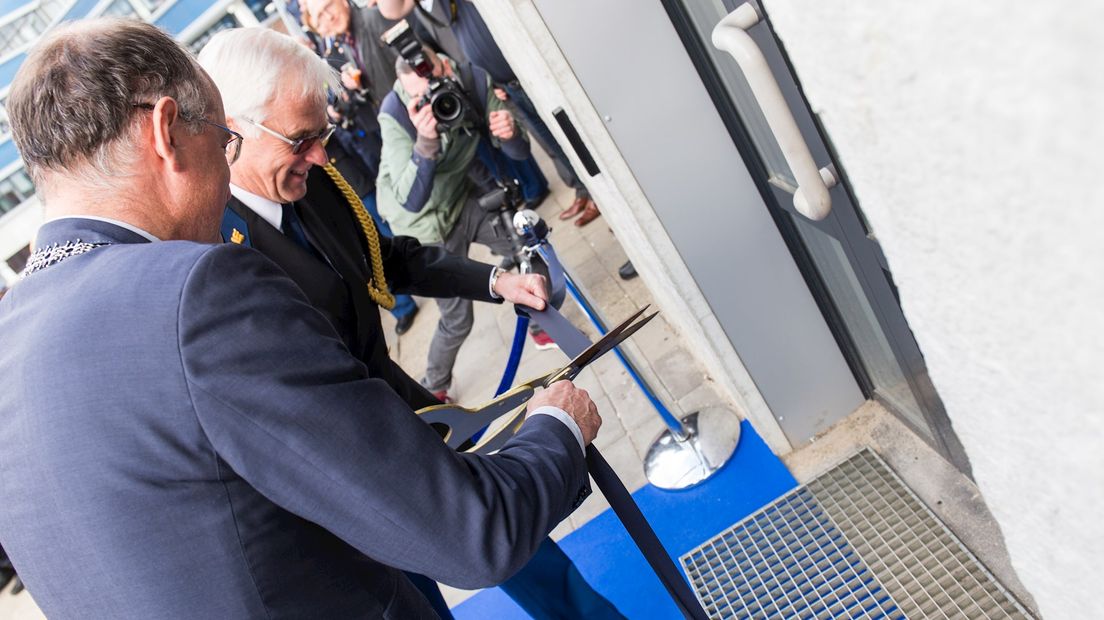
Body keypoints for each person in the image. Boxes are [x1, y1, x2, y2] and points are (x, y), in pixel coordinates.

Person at [0, 18, 601, 619]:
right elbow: (471, 534)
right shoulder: (197, 285)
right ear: (167, 131)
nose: (317, 154)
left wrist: (493, 281)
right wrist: (557, 428)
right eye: (219, 138)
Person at [379, 0, 601, 226]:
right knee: (553, 142)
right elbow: (391, 9)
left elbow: (519, 149)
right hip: (505, 81)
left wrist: (480, 84)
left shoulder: (470, 76)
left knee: (574, 130)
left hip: (516, 70)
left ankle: (601, 194)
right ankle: (584, 189)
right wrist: (426, 141)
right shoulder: (423, 10)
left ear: (445, 68)